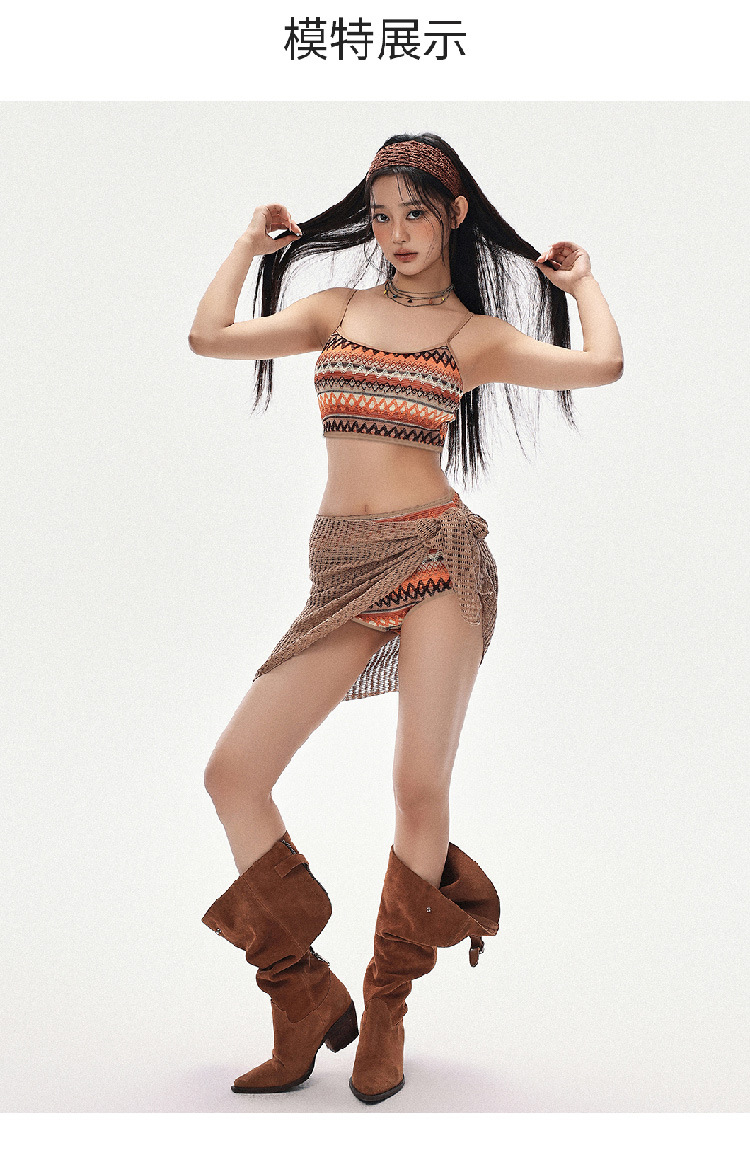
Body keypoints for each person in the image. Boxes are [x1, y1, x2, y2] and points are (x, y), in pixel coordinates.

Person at [188, 133, 624, 1104]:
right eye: (381, 216)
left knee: (417, 784)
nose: (396, 233)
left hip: (439, 558)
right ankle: (301, 993)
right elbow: (209, 338)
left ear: (453, 215)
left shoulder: (474, 336)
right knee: (233, 772)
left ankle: (385, 1007)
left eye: (415, 213)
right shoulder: (336, 310)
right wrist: (246, 248)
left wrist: (583, 282)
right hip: (343, 568)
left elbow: (602, 365)